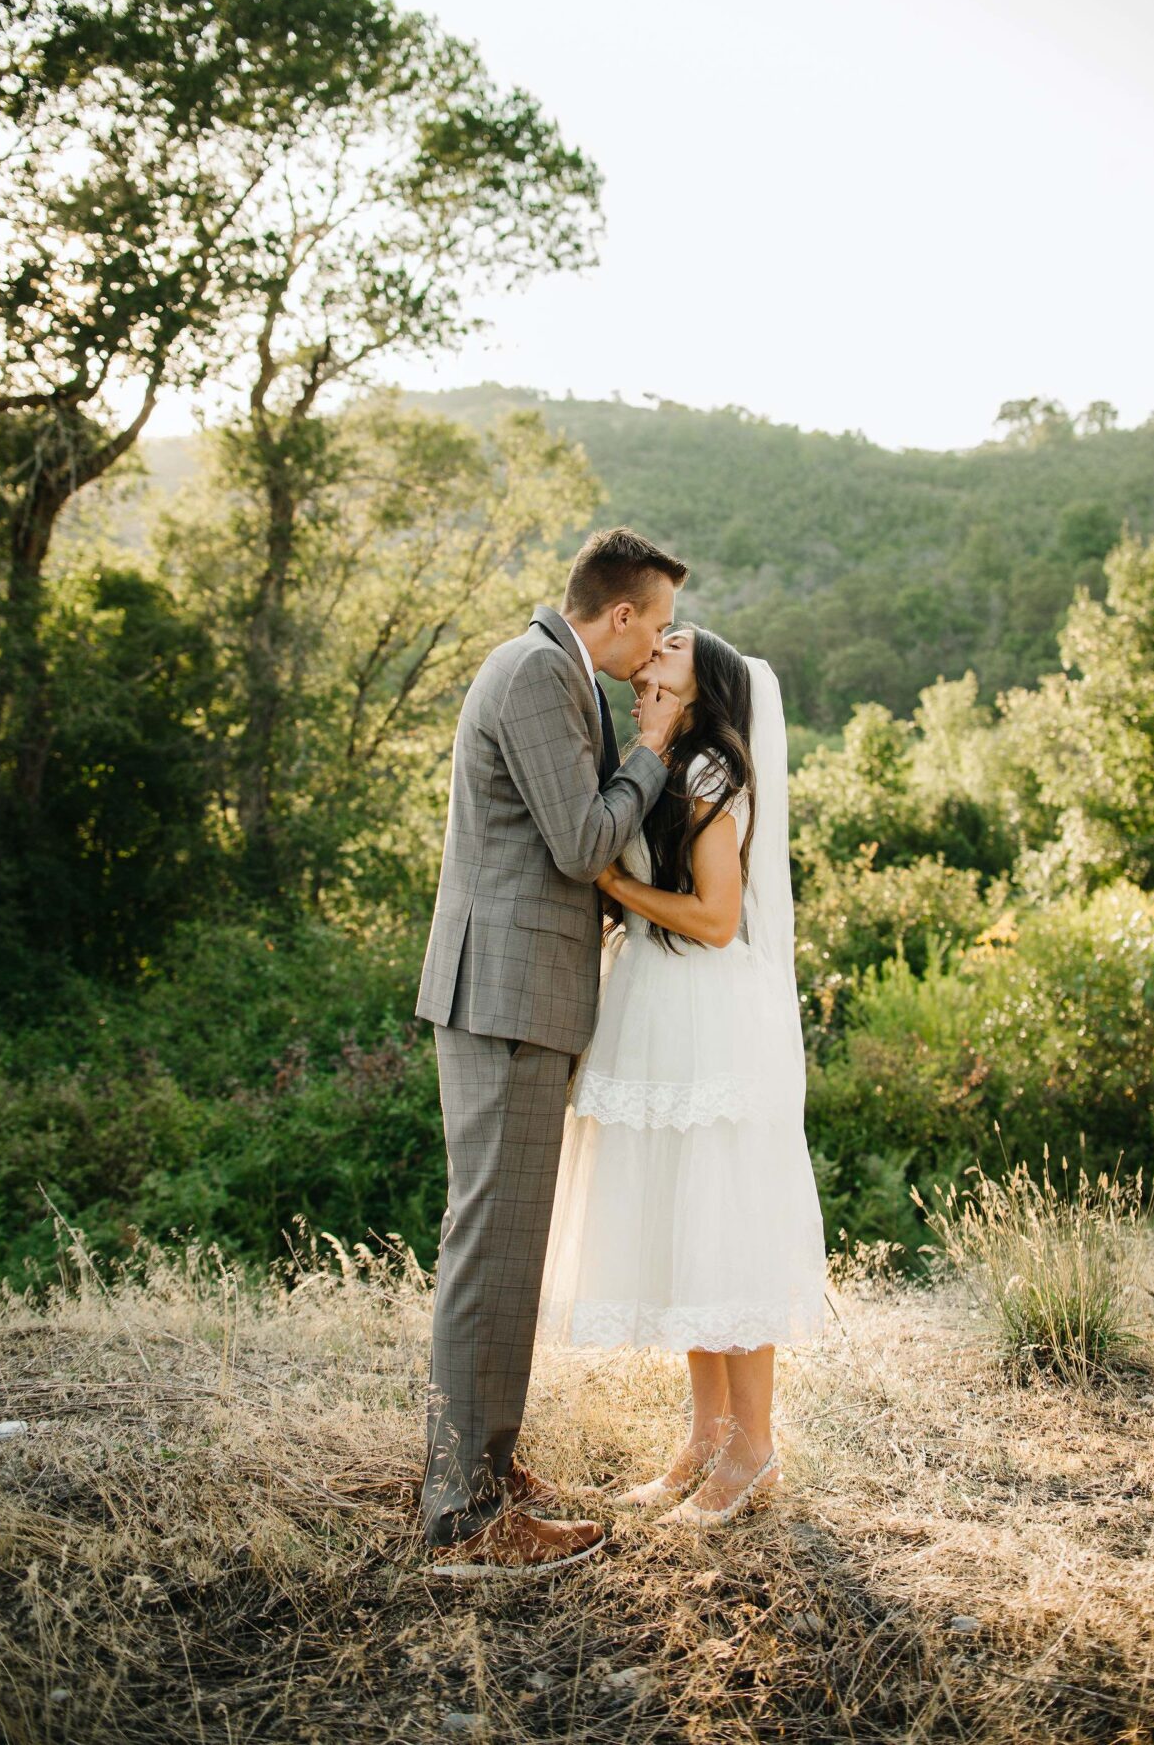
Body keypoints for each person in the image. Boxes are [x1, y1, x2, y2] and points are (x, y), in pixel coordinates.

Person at [414, 526, 689, 1577]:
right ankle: (464, 1519)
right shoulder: (536, 672)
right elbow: (579, 840)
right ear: (618, 615)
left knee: (505, 1243)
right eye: (654, 624)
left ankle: (481, 1462)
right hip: (505, 997)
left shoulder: (548, 670)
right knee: (491, 1247)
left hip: (518, 994)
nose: (656, 646)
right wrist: (653, 747)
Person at [536, 625, 828, 1526]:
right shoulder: (662, 762)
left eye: (667, 652)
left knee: (724, 1222)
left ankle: (756, 1445)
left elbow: (712, 919)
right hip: (656, 1007)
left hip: (706, 1013)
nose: (646, 661)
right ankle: (704, 1434)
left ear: (701, 684)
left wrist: (617, 892)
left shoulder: (712, 777)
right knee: (684, 1224)